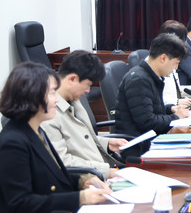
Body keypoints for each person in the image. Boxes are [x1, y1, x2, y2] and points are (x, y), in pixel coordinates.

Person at [0, 62, 111, 213]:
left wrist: (83, 181)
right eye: (52, 93)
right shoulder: (12, 143)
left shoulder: (36, 130)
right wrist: (80, 198)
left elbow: (49, 177)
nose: (57, 99)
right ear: (31, 95)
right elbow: (23, 204)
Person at [40, 51, 128, 179]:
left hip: (100, 172)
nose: (88, 91)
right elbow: (63, 162)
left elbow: (80, 138)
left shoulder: (73, 100)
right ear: (72, 79)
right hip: (86, 180)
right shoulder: (49, 114)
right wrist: (106, 172)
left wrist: (107, 143)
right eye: (87, 85)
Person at [114, 33, 190, 139]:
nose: (176, 68)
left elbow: (151, 109)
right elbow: (147, 122)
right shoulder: (139, 80)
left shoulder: (150, 76)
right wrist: (176, 117)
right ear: (163, 58)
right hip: (139, 143)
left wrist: (171, 109)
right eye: (175, 63)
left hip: (150, 137)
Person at [159, 20, 191, 107]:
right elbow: (156, 99)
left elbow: (172, 89)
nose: (185, 45)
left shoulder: (171, 58)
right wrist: (176, 102)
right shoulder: (159, 62)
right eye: (183, 41)